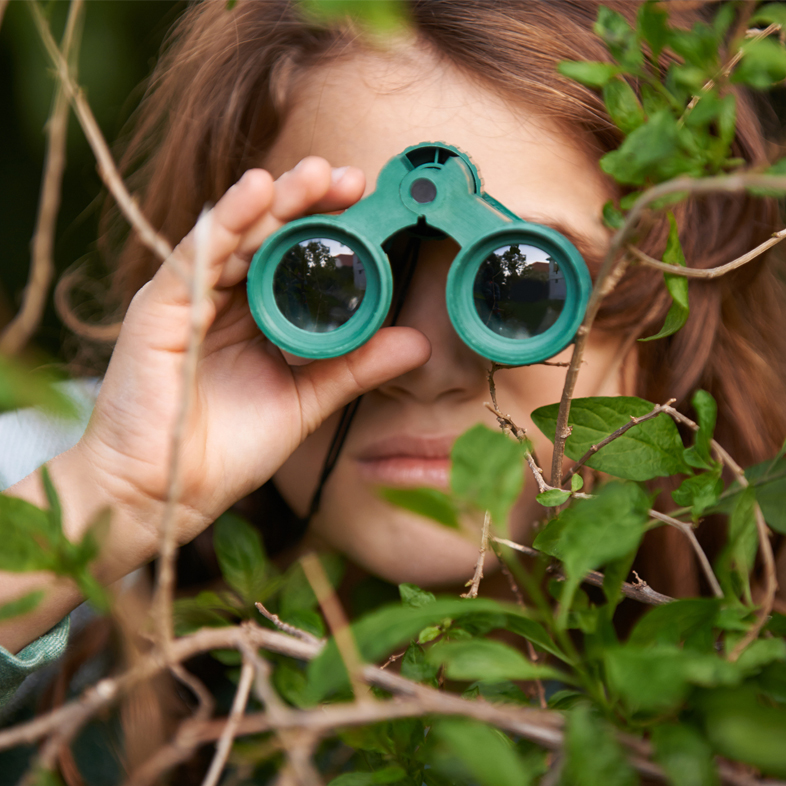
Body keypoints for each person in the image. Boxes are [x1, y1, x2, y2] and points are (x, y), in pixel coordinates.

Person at [1, 0, 785, 711]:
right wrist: (113, 501)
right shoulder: (50, 488)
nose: (421, 363)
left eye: (521, 287)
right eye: (327, 279)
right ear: (230, 274)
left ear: (671, 300)